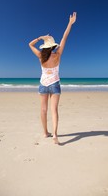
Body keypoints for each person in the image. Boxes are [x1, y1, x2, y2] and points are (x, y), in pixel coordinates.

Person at [29, 12, 77, 144]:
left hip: (43, 84)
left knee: (43, 109)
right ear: (52, 46)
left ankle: (45, 133)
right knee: (54, 110)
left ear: (45, 47)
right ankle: (55, 134)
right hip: (55, 84)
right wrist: (70, 23)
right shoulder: (57, 55)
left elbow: (30, 44)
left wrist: (40, 37)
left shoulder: (40, 56)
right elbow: (64, 37)